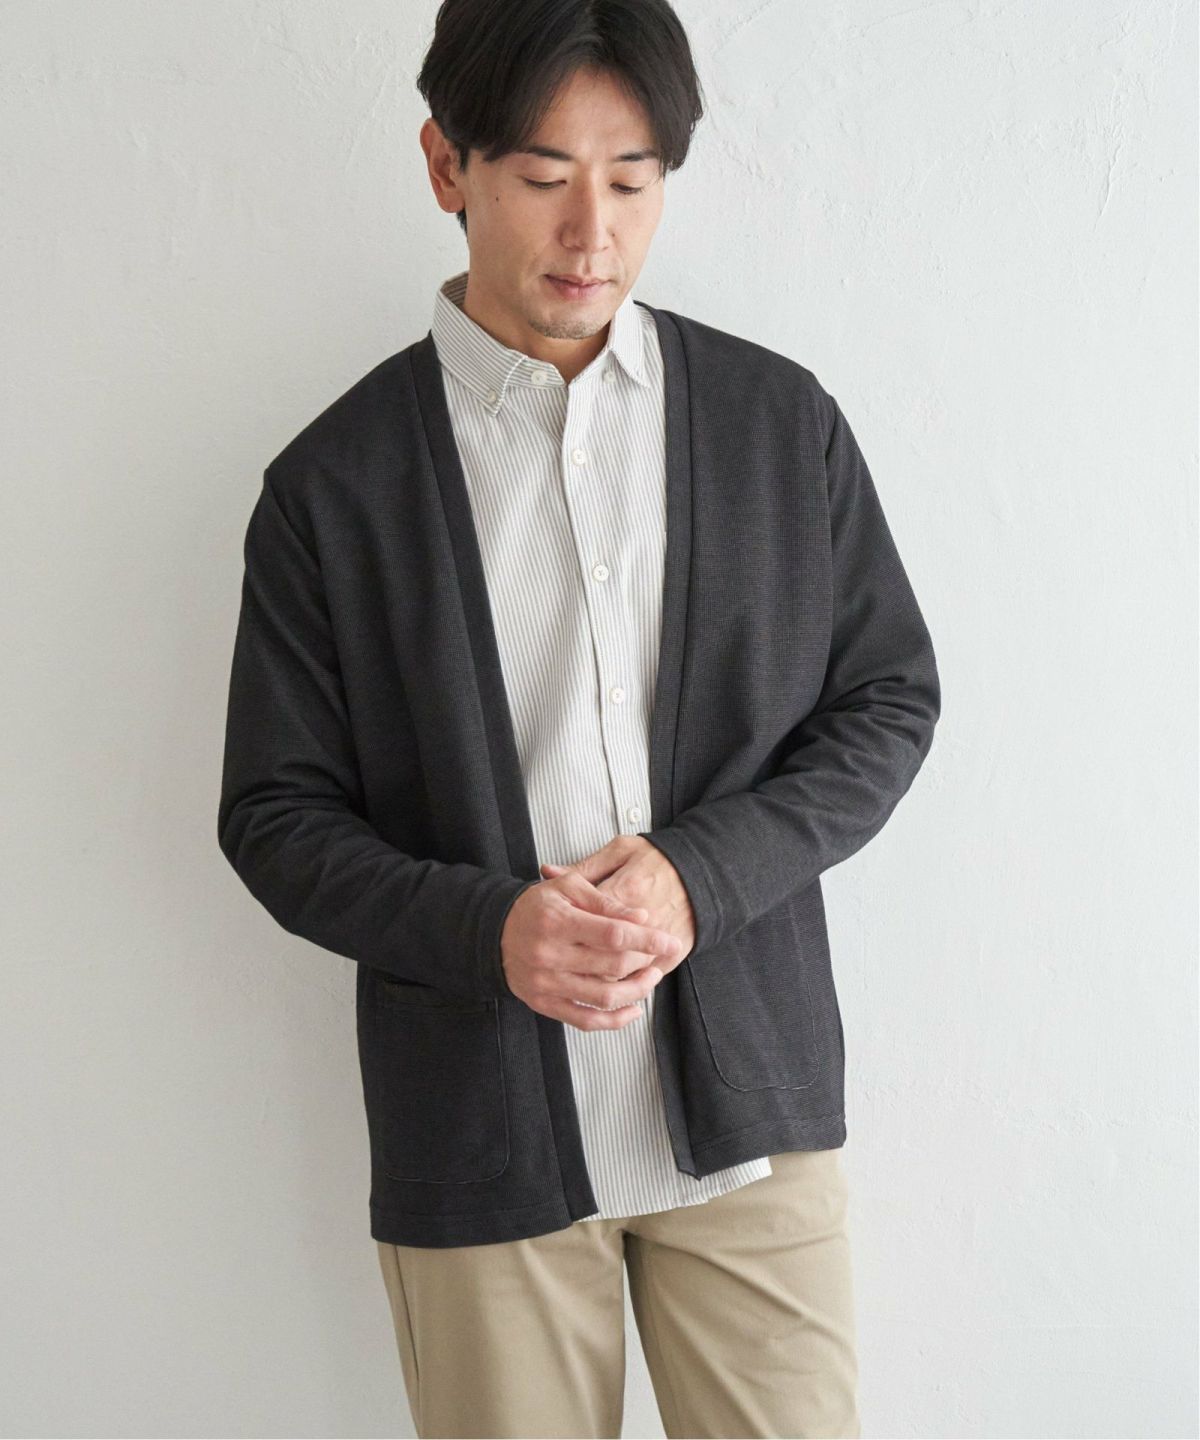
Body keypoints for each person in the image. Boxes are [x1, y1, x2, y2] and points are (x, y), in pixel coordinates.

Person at [217, 1, 941, 1434]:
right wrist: (491, 931)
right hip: (480, 1139)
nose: (591, 233)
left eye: (633, 180)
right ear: (449, 164)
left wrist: (699, 875)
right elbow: (275, 817)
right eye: (545, 176)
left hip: (752, 1129)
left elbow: (885, 700)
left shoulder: (776, 424)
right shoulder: (332, 487)